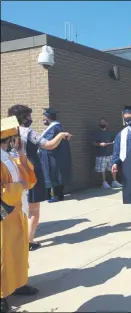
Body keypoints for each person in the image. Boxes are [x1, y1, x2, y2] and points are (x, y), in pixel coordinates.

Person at [8, 104, 72, 251]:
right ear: (24, 117)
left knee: (15, 207)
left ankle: (16, 238)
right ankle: (28, 241)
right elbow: (48, 145)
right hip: (30, 171)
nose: (31, 118)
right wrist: (61, 135)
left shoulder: (6, 132)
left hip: (11, 172)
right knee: (33, 209)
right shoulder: (28, 132)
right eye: (28, 115)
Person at [1, 116, 39, 313]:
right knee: (3, 255)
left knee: (19, 252)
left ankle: (19, 283)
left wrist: (22, 154)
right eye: (14, 139)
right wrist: (18, 187)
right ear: (8, 139)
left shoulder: (9, 157)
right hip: (4, 216)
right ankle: (1, 295)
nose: (16, 142)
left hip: (18, 212)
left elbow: (29, 180)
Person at [39, 108, 73, 202]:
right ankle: (57, 195)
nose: (43, 119)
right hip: (55, 155)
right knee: (56, 175)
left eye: (44, 117)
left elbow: (48, 142)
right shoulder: (56, 127)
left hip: (53, 156)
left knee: (54, 175)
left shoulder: (54, 128)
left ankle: (57, 196)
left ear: (48, 117)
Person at [92, 118, 122, 189]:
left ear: (106, 123)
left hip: (110, 154)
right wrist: (100, 144)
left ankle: (114, 181)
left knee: (112, 168)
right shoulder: (96, 133)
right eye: (101, 122)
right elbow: (93, 143)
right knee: (102, 170)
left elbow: (114, 141)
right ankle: (104, 183)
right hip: (101, 154)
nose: (102, 123)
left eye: (103, 122)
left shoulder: (109, 133)